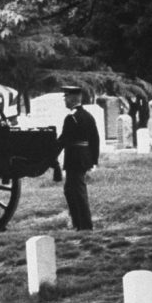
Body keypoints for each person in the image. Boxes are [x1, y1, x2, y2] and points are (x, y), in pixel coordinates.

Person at [55, 85, 100, 230]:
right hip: (83, 157)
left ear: (72, 99)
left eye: (66, 98)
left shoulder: (72, 118)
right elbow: (95, 140)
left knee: (78, 192)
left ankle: (85, 226)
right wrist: (93, 160)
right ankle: (78, 223)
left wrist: (51, 153)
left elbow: (63, 140)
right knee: (70, 190)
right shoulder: (88, 116)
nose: (65, 101)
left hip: (75, 158)